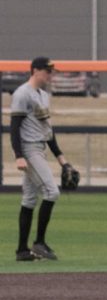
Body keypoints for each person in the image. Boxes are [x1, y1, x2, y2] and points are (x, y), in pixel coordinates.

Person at [10, 56, 72, 262]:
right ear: (35, 70)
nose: (50, 74)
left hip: (40, 147)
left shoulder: (44, 95)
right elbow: (14, 128)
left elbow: (48, 131)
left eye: (51, 71)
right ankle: (39, 243)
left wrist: (62, 159)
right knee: (51, 192)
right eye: (47, 70)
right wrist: (18, 156)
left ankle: (22, 251)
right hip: (29, 149)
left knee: (29, 199)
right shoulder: (22, 94)